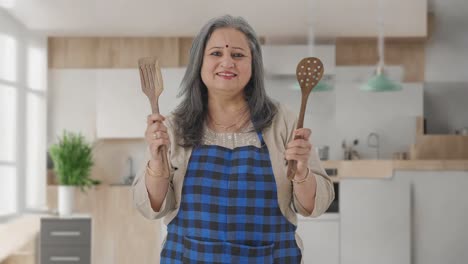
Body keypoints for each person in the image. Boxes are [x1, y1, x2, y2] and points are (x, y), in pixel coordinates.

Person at [132, 14, 334, 263]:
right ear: (199, 62)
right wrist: (156, 161)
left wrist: (302, 172)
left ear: (253, 65)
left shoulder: (284, 122)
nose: (227, 62)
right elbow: (152, 207)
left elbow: (314, 206)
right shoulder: (173, 126)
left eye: (238, 55)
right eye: (216, 53)